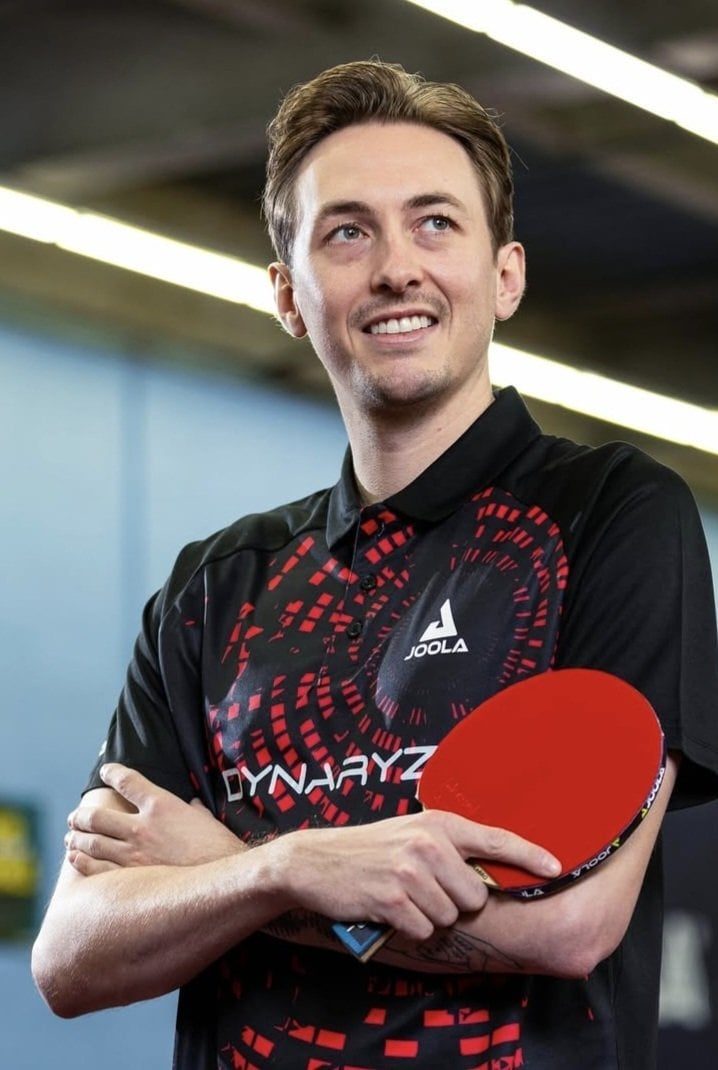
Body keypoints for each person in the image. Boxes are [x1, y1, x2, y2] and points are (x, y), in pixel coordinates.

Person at [32, 59, 718, 1069]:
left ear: (506, 275)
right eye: (347, 232)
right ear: (288, 295)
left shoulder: (609, 515)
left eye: (435, 223)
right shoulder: (212, 589)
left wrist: (232, 868)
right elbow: (70, 954)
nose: (396, 268)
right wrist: (287, 869)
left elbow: (570, 925)